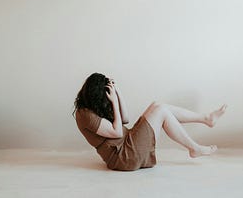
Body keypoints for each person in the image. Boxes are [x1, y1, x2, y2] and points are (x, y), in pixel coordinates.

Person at [73, 72, 227, 171]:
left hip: (128, 143)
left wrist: (117, 92)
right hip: (124, 157)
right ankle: (195, 147)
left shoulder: (94, 107)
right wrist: (113, 102)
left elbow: (125, 119)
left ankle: (206, 119)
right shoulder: (84, 114)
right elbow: (117, 131)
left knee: (158, 106)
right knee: (159, 109)